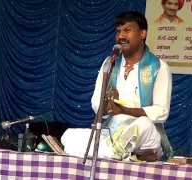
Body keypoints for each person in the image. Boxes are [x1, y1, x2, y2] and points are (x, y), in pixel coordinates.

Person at [61, 11, 172, 162]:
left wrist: (124, 110)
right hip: (112, 133)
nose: (121, 36)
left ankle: (115, 153)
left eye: (127, 30)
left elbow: (161, 112)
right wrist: (107, 104)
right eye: (118, 31)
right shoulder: (110, 64)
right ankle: (128, 156)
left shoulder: (159, 67)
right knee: (68, 136)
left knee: (143, 124)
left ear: (142, 33)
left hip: (145, 138)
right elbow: (95, 102)